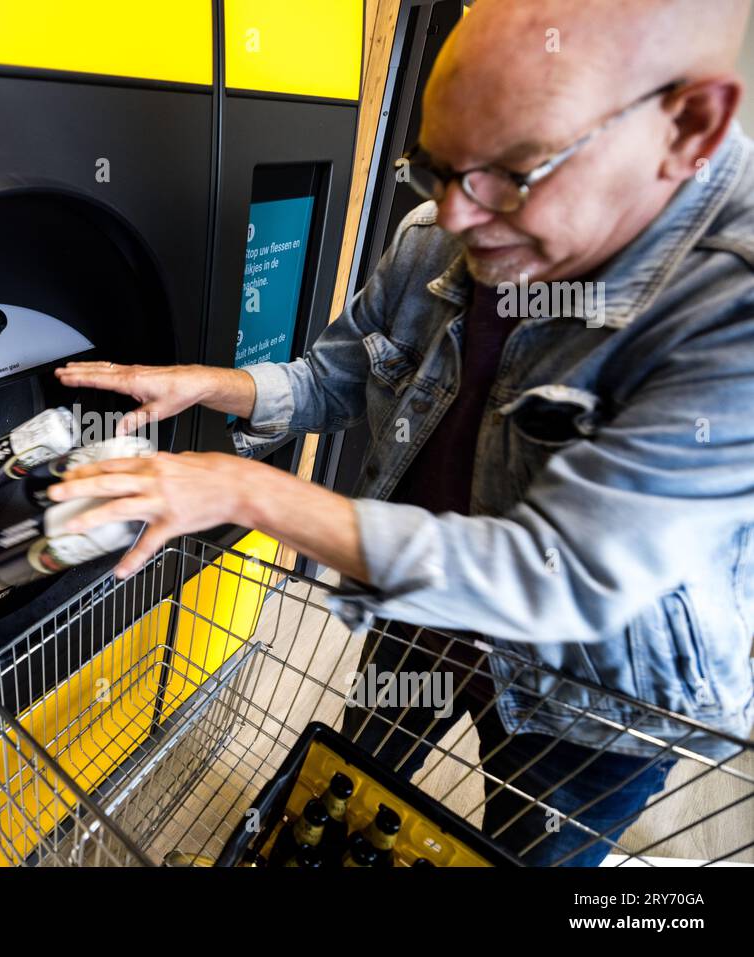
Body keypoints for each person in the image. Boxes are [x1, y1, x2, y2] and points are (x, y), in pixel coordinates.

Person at [50, 0, 754, 865]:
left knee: (531, 854)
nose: (456, 215)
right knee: (353, 794)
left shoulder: (732, 309)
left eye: (511, 174)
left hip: (592, 701)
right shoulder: (438, 238)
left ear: (688, 123)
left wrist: (242, 488)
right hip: (414, 614)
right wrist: (208, 384)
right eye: (436, 166)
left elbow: (560, 575)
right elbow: (331, 378)